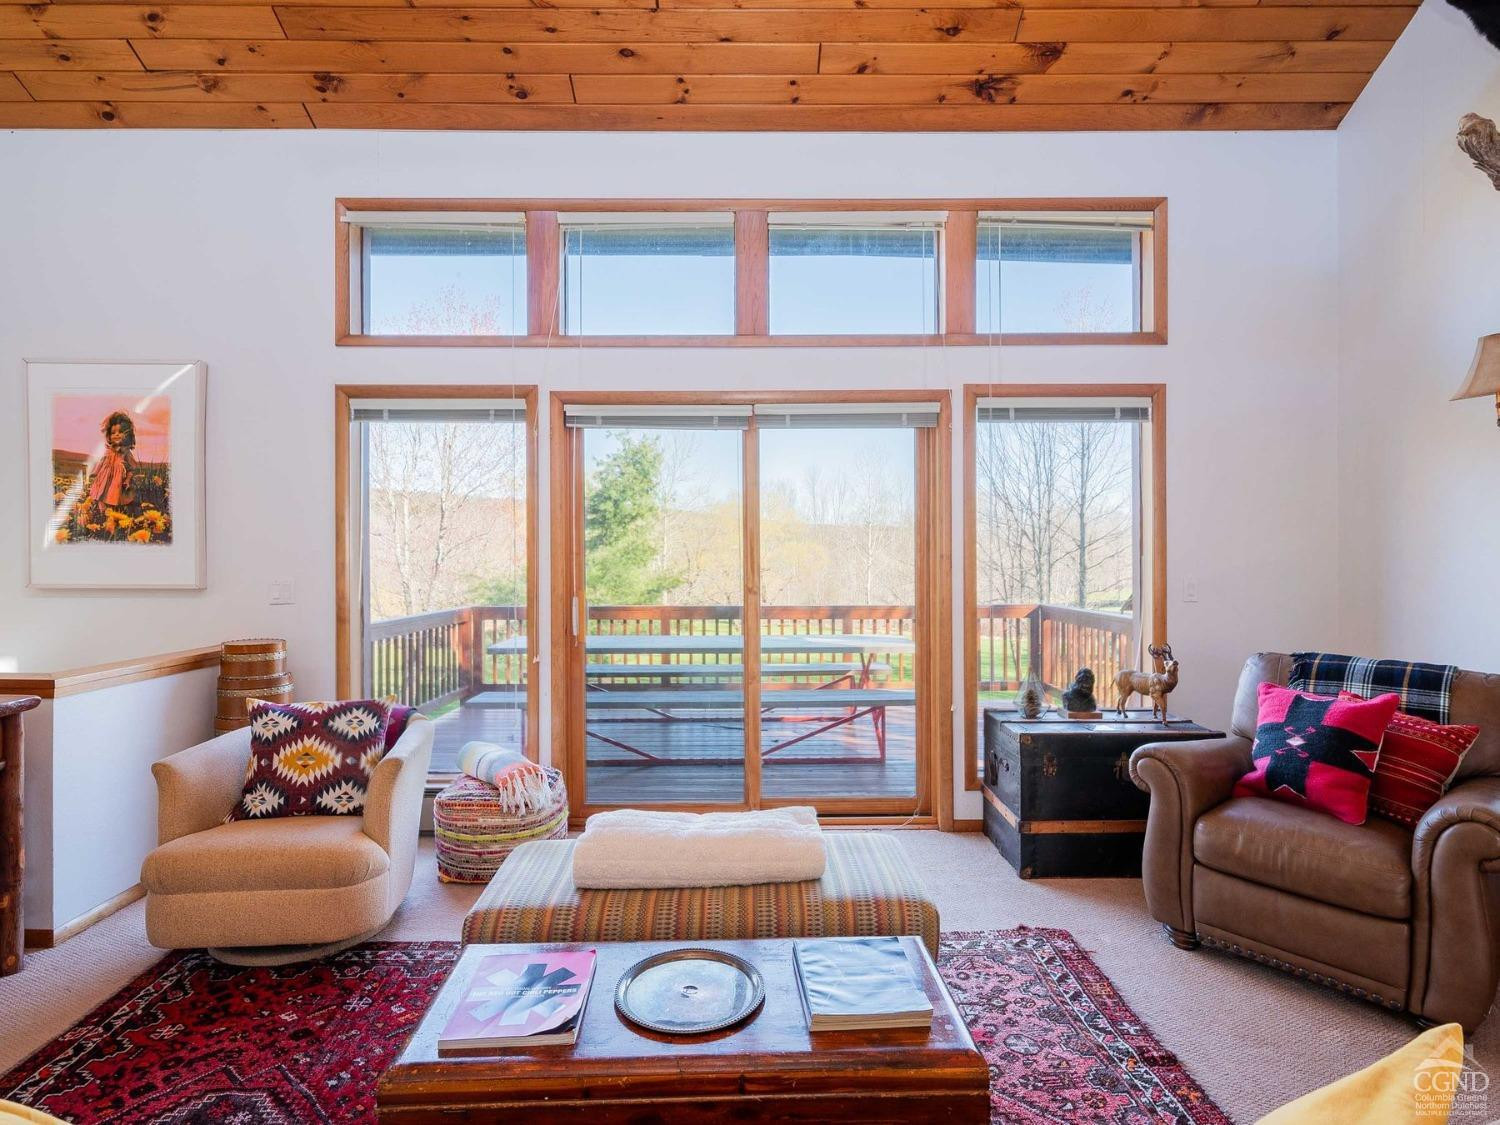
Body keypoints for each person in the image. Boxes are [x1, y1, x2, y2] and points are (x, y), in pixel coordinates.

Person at [86, 410, 138, 512]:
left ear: (127, 435)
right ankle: (102, 513)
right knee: (101, 494)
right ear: (109, 436)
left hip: (117, 481)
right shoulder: (108, 451)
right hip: (104, 478)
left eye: (120, 432)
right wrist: (94, 473)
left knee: (114, 497)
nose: (116, 435)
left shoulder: (126, 453)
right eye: (113, 433)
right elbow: (101, 463)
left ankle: (112, 514)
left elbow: (131, 468)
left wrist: (127, 480)